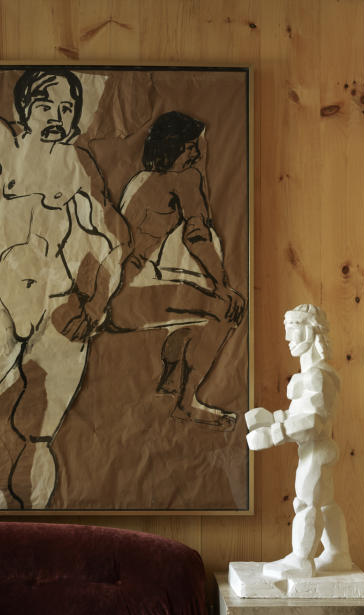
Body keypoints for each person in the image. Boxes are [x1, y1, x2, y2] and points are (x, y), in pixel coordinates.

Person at [0, 68, 130, 509]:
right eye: (45, 106)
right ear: (25, 110)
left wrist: (96, 306)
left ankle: (35, 526)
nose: (56, 116)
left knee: (37, 438)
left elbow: (114, 239)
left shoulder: (78, 164)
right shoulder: (3, 145)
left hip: (59, 314)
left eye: (66, 108)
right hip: (8, 308)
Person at [108, 111, 245, 427]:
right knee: (226, 307)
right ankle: (186, 402)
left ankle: (171, 381)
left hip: (124, 285)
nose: (195, 153)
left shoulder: (141, 178)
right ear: (170, 148)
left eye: (195, 146)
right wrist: (223, 286)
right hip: (126, 296)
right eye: (188, 147)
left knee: (200, 294)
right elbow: (198, 237)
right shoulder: (183, 179)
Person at [245, 303, 352, 578]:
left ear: (312, 330)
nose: (287, 337)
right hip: (315, 449)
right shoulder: (312, 374)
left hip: (316, 448)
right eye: (287, 328)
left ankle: (301, 560)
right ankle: (338, 555)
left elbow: (313, 421)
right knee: (325, 503)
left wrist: (273, 435)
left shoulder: (318, 375)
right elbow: (299, 413)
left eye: (294, 328)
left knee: (306, 503)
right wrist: (272, 418)